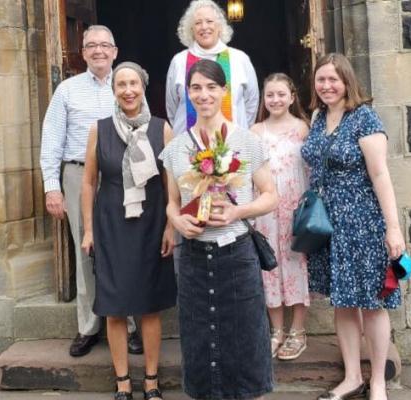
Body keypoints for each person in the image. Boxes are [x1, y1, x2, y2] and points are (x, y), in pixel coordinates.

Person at [159, 59, 278, 400]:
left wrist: (238, 211)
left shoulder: (246, 141)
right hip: (195, 258)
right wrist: (177, 220)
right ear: (187, 94)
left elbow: (271, 196)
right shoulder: (176, 149)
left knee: (245, 340)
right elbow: (170, 201)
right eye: (196, 88)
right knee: (199, 342)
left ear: (224, 91)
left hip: (237, 254)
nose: (203, 94)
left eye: (211, 87)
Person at [301, 53, 405, 400]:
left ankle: (377, 381)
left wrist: (393, 228)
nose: (327, 86)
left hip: (362, 221)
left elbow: (380, 175)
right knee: (343, 303)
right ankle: (351, 377)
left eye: (334, 79)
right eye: (321, 80)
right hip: (328, 224)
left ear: (347, 81)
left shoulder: (364, 118)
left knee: (372, 303)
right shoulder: (317, 117)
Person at [38, 25, 140, 358]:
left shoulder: (126, 86)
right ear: (82, 53)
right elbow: (52, 138)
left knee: (124, 250)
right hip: (77, 174)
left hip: (121, 177)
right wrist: (52, 187)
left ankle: (129, 326)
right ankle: (88, 327)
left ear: (115, 51)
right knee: (86, 252)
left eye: (104, 45)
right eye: (91, 46)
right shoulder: (67, 90)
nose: (98, 51)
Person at [81, 62, 177, 400]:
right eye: (121, 84)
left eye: (133, 83)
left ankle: (151, 380)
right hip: (110, 225)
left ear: (143, 86)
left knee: (149, 305)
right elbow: (89, 182)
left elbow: (172, 184)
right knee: (115, 306)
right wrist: (89, 230)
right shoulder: (99, 129)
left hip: (151, 224)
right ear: (114, 90)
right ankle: (122, 382)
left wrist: (170, 225)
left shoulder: (161, 129)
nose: (128, 90)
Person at [248, 73, 312, 361]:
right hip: (265, 211)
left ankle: (298, 331)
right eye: (270, 95)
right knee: (269, 269)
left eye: (280, 94)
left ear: (292, 96)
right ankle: (276, 330)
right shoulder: (255, 132)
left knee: (297, 266)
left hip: (295, 209)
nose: (275, 100)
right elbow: (248, 174)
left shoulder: (303, 128)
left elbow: (311, 171)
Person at [164, 0, 259, 133]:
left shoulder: (239, 59)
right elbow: (172, 106)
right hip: (188, 145)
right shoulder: (179, 61)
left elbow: (251, 103)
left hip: (233, 144)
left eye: (209, 21)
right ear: (191, 29)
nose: (204, 27)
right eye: (198, 23)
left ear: (220, 26)